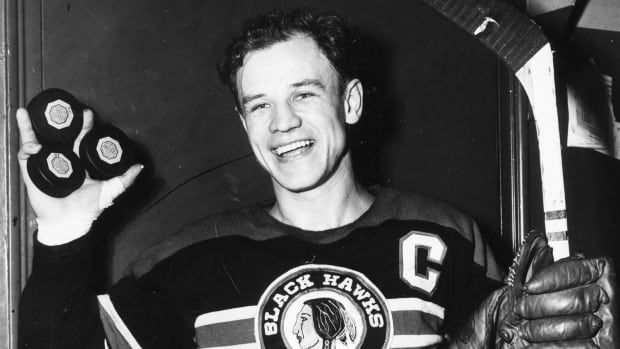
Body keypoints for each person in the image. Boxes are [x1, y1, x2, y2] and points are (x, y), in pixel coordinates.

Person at [16, 8, 615, 349]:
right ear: (244, 121)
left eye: (304, 94)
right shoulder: (188, 258)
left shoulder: (447, 235)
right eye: (259, 105)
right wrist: (64, 231)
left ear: (350, 103)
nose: (283, 124)